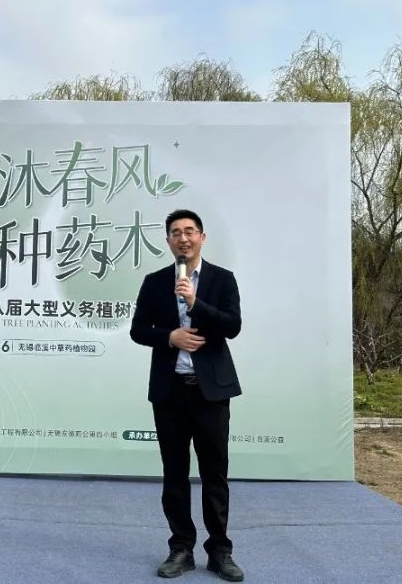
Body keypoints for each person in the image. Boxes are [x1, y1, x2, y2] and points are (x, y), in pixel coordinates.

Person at [129, 209, 244, 582]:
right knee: (174, 473)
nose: (183, 238)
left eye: (190, 231)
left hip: (212, 393)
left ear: (202, 237)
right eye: (176, 232)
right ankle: (181, 549)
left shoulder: (222, 279)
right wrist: (169, 336)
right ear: (168, 241)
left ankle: (220, 551)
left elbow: (232, 326)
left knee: (215, 474)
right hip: (171, 392)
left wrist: (196, 303)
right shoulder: (154, 282)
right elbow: (137, 330)